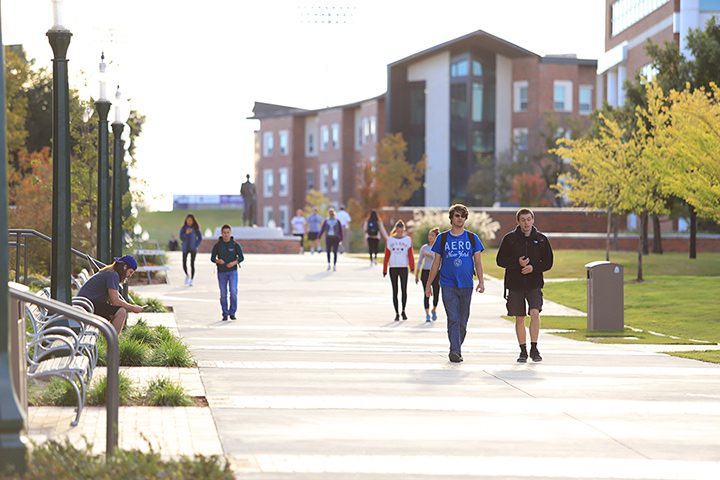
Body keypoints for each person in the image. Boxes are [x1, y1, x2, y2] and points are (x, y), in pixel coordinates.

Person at [425, 204, 485, 363]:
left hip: (466, 285)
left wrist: (481, 281)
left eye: (462, 216)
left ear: (466, 218)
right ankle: (455, 351)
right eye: (457, 216)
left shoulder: (472, 238)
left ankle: (456, 347)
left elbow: (478, 262)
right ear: (451, 218)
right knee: (453, 318)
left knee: (463, 321)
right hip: (447, 284)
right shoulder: (442, 238)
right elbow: (436, 263)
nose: (460, 218)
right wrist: (429, 284)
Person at [496, 208, 554, 363]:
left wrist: (533, 268)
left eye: (529, 219)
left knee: (535, 313)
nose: (526, 223)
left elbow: (548, 262)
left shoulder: (541, 239)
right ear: (518, 222)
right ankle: (523, 351)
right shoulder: (510, 239)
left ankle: (534, 348)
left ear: (533, 220)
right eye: (523, 220)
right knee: (520, 318)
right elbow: (500, 260)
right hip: (515, 284)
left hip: (534, 284)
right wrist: (517, 263)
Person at [77, 255, 143, 334]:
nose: (130, 275)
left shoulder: (110, 273)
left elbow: (114, 302)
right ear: (125, 267)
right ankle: (112, 344)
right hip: (86, 306)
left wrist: (131, 308)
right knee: (121, 312)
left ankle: (109, 340)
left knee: (117, 311)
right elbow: (115, 301)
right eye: (130, 272)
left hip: (87, 305)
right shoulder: (113, 275)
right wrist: (133, 308)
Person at [210, 224, 245, 321]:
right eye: (224, 233)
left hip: (232, 271)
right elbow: (212, 258)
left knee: (233, 292)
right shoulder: (217, 245)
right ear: (221, 233)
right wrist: (218, 261)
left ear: (230, 233)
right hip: (221, 272)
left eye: (227, 233)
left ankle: (232, 312)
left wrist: (234, 262)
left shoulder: (235, 245)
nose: (226, 235)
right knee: (223, 294)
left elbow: (241, 257)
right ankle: (225, 313)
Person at [383, 220, 415, 321]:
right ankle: (396, 312)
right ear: (396, 230)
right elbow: (387, 255)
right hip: (393, 267)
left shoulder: (407, 240)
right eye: (398, 230)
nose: (400, 232)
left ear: (403, 230)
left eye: (401, 231)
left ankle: (403, 311)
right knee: (395, 291)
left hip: (403, 267)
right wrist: (384, 269)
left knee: (404, 290)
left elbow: (410, 254)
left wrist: (412, 266)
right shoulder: (390, 240)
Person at [416, 227, 441, 323]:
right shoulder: (424, 248)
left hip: (436, 273)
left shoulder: (439, 248)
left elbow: (441, 261)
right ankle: (427, 314)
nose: (430, 237)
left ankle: (434, 309)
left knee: (436, 293)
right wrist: (417, 274)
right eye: (429, 235)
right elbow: (419, 262)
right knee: (426, 294)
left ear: (436, 237)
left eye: (432, 235)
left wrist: (431, 256)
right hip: (425, 272)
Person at [179, 213, 203, 286]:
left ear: (193, 221)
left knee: (192, 264)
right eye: (188, 220)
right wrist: (186, 233)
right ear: (186, 221)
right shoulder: (183, 228)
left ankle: (192, 279)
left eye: (190, 220)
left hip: (193, 248)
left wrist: (196, 245)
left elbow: (200, 238)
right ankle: (187, 275)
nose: (189, 221)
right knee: (184, 263)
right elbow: (181, 237)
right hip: (185, 248)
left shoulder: (196, 228)